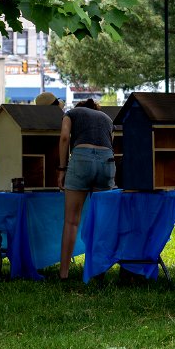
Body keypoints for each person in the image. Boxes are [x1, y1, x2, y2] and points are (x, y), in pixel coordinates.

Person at [57, 98, 115, 281]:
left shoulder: (71, 114)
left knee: (72, 221)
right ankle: (98, 271)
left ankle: (64, 273)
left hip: (81, 158)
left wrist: (61, 169)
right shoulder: (107, 118)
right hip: (107, 161)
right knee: (101, 221)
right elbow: (111, 144)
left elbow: (65, 137)